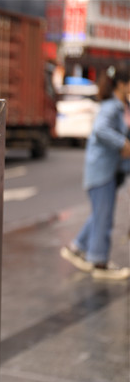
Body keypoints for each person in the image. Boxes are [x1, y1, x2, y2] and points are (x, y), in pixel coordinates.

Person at [60, 65, 130, 280]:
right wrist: (122, 143)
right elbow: (100, 130)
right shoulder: (112, 106)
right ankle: (99, 262)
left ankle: (76, 248)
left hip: (109, 170)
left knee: (100, 214)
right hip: (101, 170)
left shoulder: (121, 105)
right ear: (121, 84)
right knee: (103, 217)